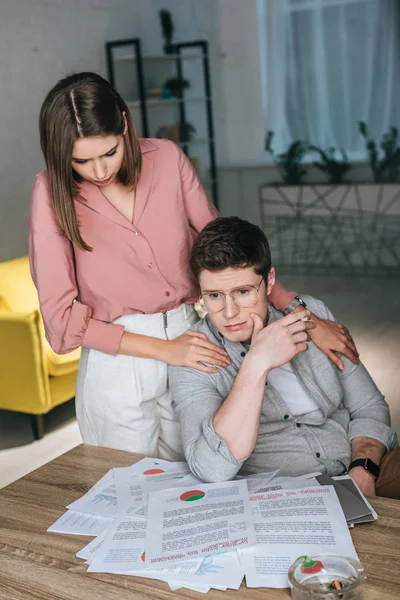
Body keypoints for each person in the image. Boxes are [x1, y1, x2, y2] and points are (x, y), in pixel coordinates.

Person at [29, 72, 357, 460]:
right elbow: (61, 322)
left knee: (198, 479)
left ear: (125, 122)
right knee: (123, 489)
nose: (99, 171)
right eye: (81, 160)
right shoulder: (50, 192)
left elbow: (230, 252)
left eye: (109, 153)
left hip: (195, 339)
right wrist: (166, 351)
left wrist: (300, 313)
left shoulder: (166, 159)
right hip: (119, 360)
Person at [169, 217, 400, 498]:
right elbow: (210, 468)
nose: (229, 313)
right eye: (214, 295)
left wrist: (363, 468)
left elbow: (369, 405)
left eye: (243, 292)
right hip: (278, 496)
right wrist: (256, 363)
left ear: (269, 281)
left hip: (356, 465)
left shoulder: (311, 315)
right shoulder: (195, 354)